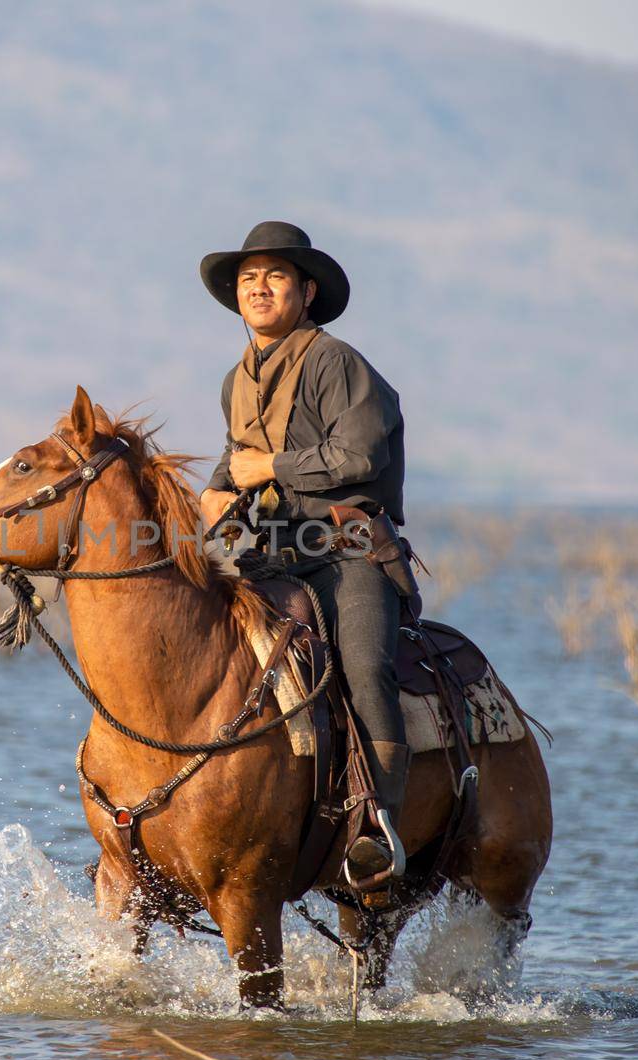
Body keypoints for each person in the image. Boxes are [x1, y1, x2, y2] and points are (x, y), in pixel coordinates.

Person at [198, 220, 410, 883]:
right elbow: (235, 467)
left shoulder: (334, 360)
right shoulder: (236, 381)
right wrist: (210, 496)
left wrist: (268, 469)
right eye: (247, 279)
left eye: (276, 276)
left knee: (365, 666)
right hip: (270, 557)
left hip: (347, 554)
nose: (258, 288)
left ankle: (377, 827)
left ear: (307, 291)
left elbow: (359, 454)